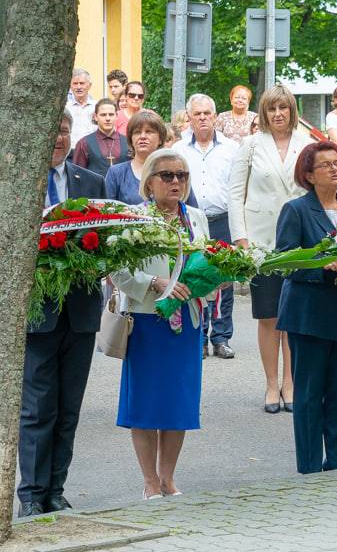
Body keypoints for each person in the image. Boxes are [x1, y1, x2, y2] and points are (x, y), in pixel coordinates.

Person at [17, 111, 105, 518]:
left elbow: (107, 241)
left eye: (65, 129)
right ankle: (32, 493)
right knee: (38, 407)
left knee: (69, 407)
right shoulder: (19, 182)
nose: (58, 137)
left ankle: (56, 489)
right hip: (39, 313)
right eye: (51, 128)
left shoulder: (91, 183)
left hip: (81, 312)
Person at [110, 148, 210, 500]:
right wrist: (154, 283)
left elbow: (207, 262)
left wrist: (217, 277)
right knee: (146, 403)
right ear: (149, 182)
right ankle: (149, 481)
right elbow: (117, 271)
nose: (176, 182)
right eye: (167, 175)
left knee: (178, 403)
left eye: (181, 176)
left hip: (187, 321)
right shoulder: (133, 218)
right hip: (147, 320)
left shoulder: (195, 218)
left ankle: (168, 479)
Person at [275, 141, 337, 473]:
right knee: (311, 397)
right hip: (309, 315)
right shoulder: (297, 210)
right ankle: (311, 469)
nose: (335, 168)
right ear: (309, 175)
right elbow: (283, 260)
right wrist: (322, 266)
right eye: (326, 165)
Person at [230, 84, 313, 414]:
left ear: (293, 111)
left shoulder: (307, 145)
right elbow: (235, 194)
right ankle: (269, 383)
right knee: (268, 316)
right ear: (263, 113)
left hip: (300, 240)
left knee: (293, 317)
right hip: (261, 240)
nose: (278, 114)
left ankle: (290, 382)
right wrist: (241, 239)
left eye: (284, 108)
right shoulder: (250, 146)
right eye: (272, 109)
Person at [174, 94, 240, 359]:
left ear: (215, 117)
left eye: (207, 113)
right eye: (197, 114)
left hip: (223, 219)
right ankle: (199, 336)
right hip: (191, 221)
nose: (202, 118)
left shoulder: (232, 148)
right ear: (189, 118)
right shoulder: (178, 150)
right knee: (194, 276)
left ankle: (221, 337)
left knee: (225, 278)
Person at [105, 111, 169, 205]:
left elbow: (189, 210)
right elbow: (105, 211)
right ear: (131, 139)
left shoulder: (173, 172)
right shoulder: (116, 173)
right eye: (137, 132)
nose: (142, 136)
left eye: (149, 131)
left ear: (160, 139)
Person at [72, 98, 130, 176]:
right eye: (103, 115)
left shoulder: (128, 142)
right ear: (96, 117)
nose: (108, 118)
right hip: (95, 187)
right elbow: (77, 175)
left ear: (116, 116)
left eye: (111, 114)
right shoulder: (84, 143)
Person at [65, 68, 96, 149]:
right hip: (71, 154)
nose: (78, 87)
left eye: (82, 83)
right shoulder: (65, 108)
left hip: (92, 152)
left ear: (89, 85)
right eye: (75, 83)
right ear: (70, 86)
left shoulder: (97, 107)